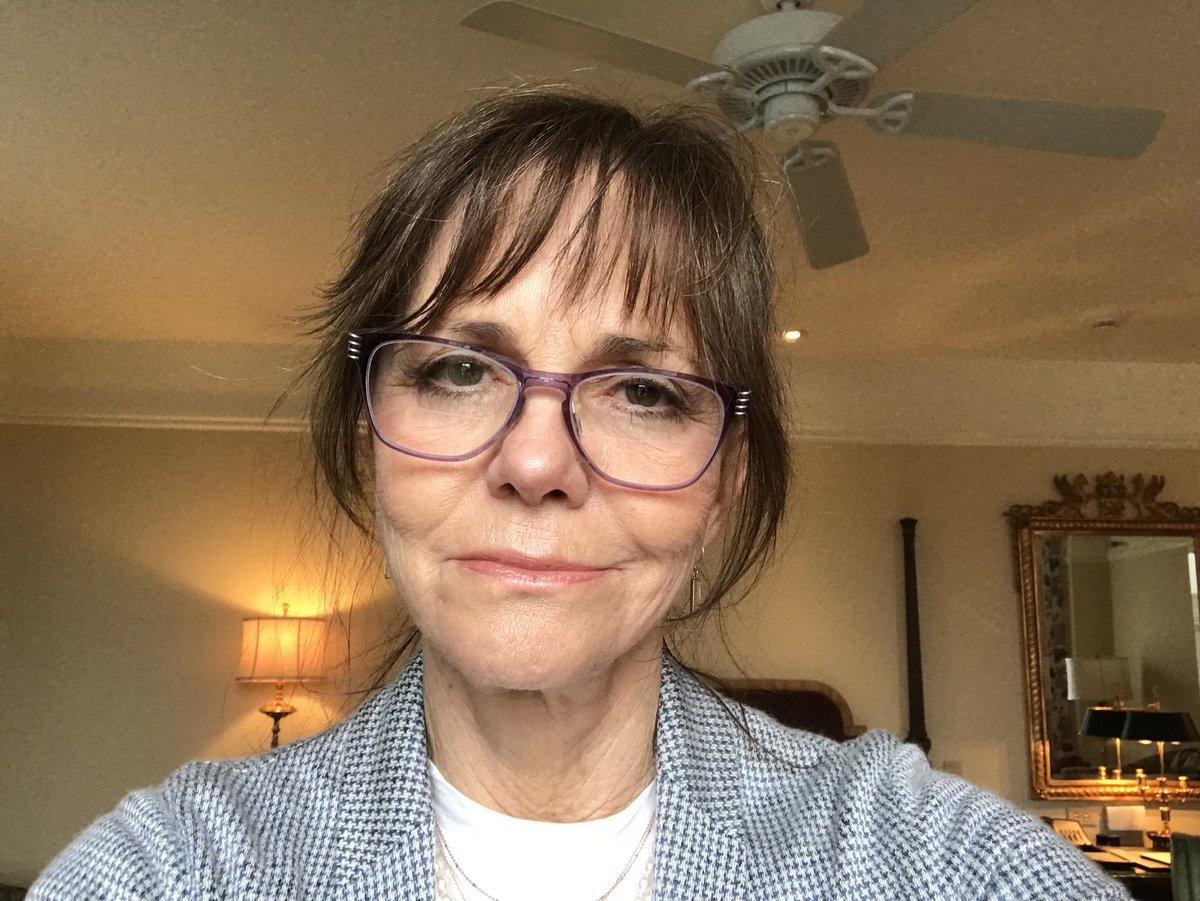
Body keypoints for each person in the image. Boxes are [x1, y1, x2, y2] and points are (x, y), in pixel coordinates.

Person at [29, 84, 1129, 900]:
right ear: (369, 434)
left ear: (726, 478)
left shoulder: (925, 856)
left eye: (643, 391)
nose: (538, 462)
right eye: (457, 370)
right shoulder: (177, 866)